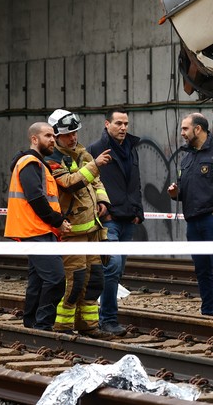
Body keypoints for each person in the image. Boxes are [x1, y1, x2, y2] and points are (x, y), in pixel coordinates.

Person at [46, 109, 114, 338]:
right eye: (67, 135)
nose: (73, 138)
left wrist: (103, 200)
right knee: (73, 283)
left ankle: (88, 326)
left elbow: (96, 183)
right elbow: (69, 183)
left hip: (92, 230)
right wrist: (95, 165)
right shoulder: (52, 159)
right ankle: (63, 329)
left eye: (74, 133)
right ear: (55, 135)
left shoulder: (82, 154)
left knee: (94, 280)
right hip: (72, 232)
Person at [167, 113, 213, 319]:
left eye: (185, 129)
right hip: (194, 222)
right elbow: (185, 191)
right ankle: (208, 312)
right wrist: (175, 193)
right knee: (202, 271)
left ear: (198, 129)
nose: (182, 133)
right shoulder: (187, 158)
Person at [5, 122, 72, 331]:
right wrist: (58, 221)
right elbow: (35, 197)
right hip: (35, 230)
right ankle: (43, 325)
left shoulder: (38, 164)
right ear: (34, 139)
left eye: (53, 136)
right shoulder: (30, 162)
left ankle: (32, 323)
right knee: (56, 279)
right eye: (47, 136)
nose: (53, 139)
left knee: (37, 282)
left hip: (39, 230)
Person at [87, 108, 143, 336]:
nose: (123, 128)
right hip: (109, 220)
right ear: (106, 124)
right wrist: (104, 211)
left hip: (128, 218)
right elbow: (89, 183)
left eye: (126, 124)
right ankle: (107, 319)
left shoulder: (131, 148)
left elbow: (135, 182)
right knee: (112, 267)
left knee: (117, 272)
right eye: (118, 123)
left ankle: (106, 316)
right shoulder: (95, 150)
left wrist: (138, 211)